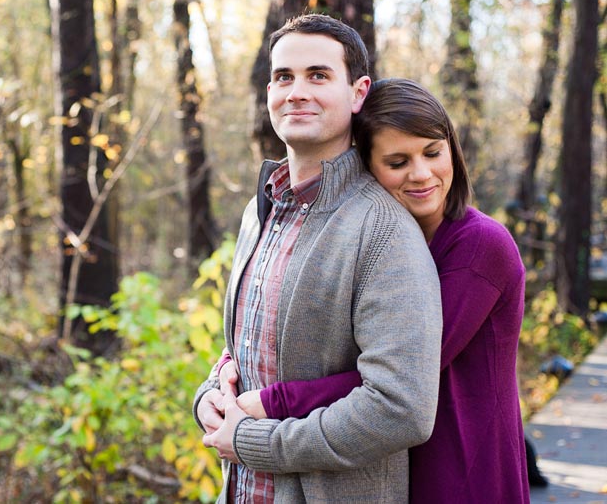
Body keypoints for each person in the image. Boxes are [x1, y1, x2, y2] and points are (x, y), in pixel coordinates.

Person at [218, 78, 531, 503]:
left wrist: (274, 402)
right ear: (367, 167)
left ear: (452, 150)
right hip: (384, 464)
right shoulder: (377, 243)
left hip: (462, 468)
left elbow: (410, 372)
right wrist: (225, 382)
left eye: (433, 153)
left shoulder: (480, 246)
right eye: (398, 162)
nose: (421, 174)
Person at [192, 14, 443, 503]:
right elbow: (246, 354)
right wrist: (208, 397)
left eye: (318, 75)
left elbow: (401, 408)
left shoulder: (383, 230)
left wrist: (256, 443)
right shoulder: (261, 209)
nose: (296, 91)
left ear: (358, 92)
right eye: (283, 76)